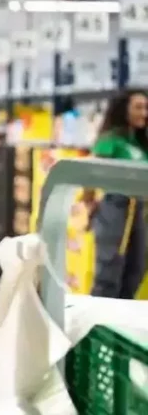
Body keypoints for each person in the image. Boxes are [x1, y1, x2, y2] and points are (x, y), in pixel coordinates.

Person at [85, 90, 148, 299]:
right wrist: (90, 202)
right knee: (109, 272)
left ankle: (119, 322)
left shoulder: (140, 143)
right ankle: (98, 324)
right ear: (124, 110)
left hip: (139, 210)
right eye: (138, 107)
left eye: (146, 107)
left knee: (136, 270)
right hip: (116, 206)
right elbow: (90, 173)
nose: (144, 113)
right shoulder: (110, 140)